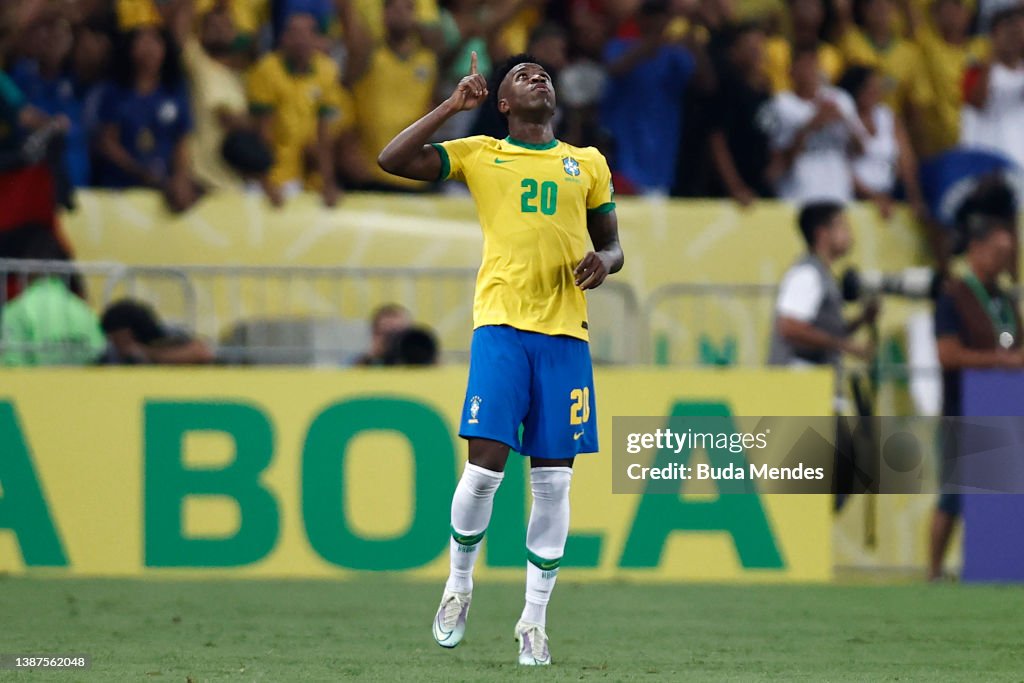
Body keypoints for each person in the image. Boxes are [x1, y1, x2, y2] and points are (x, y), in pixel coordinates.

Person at [377, 51, 623, 665]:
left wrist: (604, 262)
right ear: (503, 103)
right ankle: (459, 585)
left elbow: (614, 244)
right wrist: (453, 108)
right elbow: (391, 160)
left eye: (545, 73)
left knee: (553, 482)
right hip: (502, 326)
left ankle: (532, 622)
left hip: (567, 333)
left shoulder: (586, 164)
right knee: (485, 467)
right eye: (521, 75)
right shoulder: (482, 153)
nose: (538, 75)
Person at [929, 179, 1021, 580]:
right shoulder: (953, 296)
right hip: (961, 408)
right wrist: (1001, 361)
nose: (1005, 259)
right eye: (999, 251)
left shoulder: (1004, 299)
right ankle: (933, 571)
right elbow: (947, 355)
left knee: (1000, 496)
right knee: (954, 495)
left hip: (1005, 411)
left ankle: (993, 564)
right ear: (978, 248)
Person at [246, 12, 352, 206]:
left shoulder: (327, 70)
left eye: (306, 34)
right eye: (293, 33)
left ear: (317, 39)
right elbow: (262, 132)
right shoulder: (266, 70)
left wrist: (328, 181)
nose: (300, 40)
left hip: (310, 175)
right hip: (276, 174)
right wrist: (267, 182)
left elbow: (324, 133)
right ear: (283, 38)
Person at [94, 27, 200, 212]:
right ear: (130, 48)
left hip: (163, 191)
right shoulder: (114, 92)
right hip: (120, 191)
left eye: (156, 42)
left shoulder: (174, 92)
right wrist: (140, 171)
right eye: (142, 41)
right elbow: (107, 142)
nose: (149, 49)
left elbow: (181, 141)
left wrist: (180, 177)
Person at [341, 0, 439, 191]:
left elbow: (433, 109)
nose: (399, 13)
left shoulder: (429, 61)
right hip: (369, 171)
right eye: (393, 8)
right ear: (382, 15)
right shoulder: (367, 56)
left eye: (407, 8)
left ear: (416, 16)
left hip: (413, 174)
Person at [600, 0, 696, 195]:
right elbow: (613, 70)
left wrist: (693, 39)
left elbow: (705, 83)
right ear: (640, 19)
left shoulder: (673, 55)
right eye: (651, 15)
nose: (656, 21)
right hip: (622, 155)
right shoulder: (618, 46)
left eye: (661, 16)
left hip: (661, 159)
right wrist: (651, 43)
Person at [762, 46, 866, 204]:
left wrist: (844, 120)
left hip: (838, 191)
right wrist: (811, 125)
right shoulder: (780, 104)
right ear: (791, 72)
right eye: (803, 65)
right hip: (798, 193)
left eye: (813, 65)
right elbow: (778, 162)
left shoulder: (840, 99)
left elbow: (860, 150)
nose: (810, 72)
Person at [0, 232, 105, 367]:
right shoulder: (84, 311)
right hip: (80, 386)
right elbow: (98, 355)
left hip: (32, 386)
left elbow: (11, 363)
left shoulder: (17, 311)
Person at [839, 66, 927, 220]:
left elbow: (906, 161)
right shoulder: (846, 119)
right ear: (856, 90)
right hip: (855, 197)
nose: (873, 93)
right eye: (868, 88)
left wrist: (914, 197)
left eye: (876, 88)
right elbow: (843, 167)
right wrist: (872, 197)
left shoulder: (888, 117)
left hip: (889, 194)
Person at [707, 21, 775, 206]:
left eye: (760, 46)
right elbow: (717, 139)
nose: (757, 52)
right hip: (732, 190)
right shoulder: (726, 87)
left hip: (760, 185)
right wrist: (735, 186)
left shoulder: (765, 89)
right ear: (734, 50)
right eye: (750, 46)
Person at [960, 5, 1024, 170]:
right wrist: (993, 53)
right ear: (994, 34)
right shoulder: (977, 70)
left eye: (1017, 33)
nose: (1014, 38)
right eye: (1009, 32)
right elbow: (976, 102)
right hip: (991, 161)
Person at [99, 298, 214, 364]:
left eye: (117, 337)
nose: (113, 341)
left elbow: (202, 353)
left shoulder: (168, 335)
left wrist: (146, 353)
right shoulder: (112, 353)